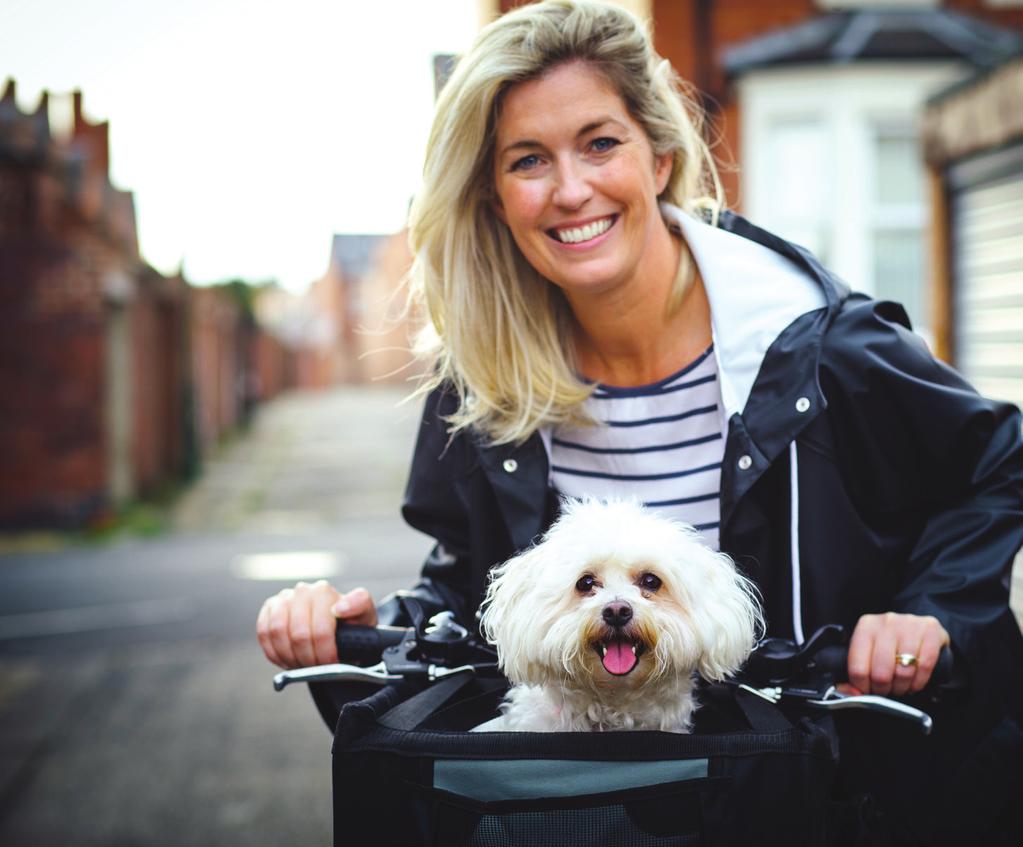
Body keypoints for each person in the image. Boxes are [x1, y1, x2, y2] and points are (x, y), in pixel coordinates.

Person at [258, 1, 1023, 841]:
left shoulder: (819, 346)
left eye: (599, 142)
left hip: (848, 799)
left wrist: (932, 612)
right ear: (494, 196)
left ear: (658, 156)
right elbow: (467, 593)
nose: (571, 188)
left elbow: (997, 464)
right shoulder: (482, 383)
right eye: (527, 160)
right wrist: (345, 631)